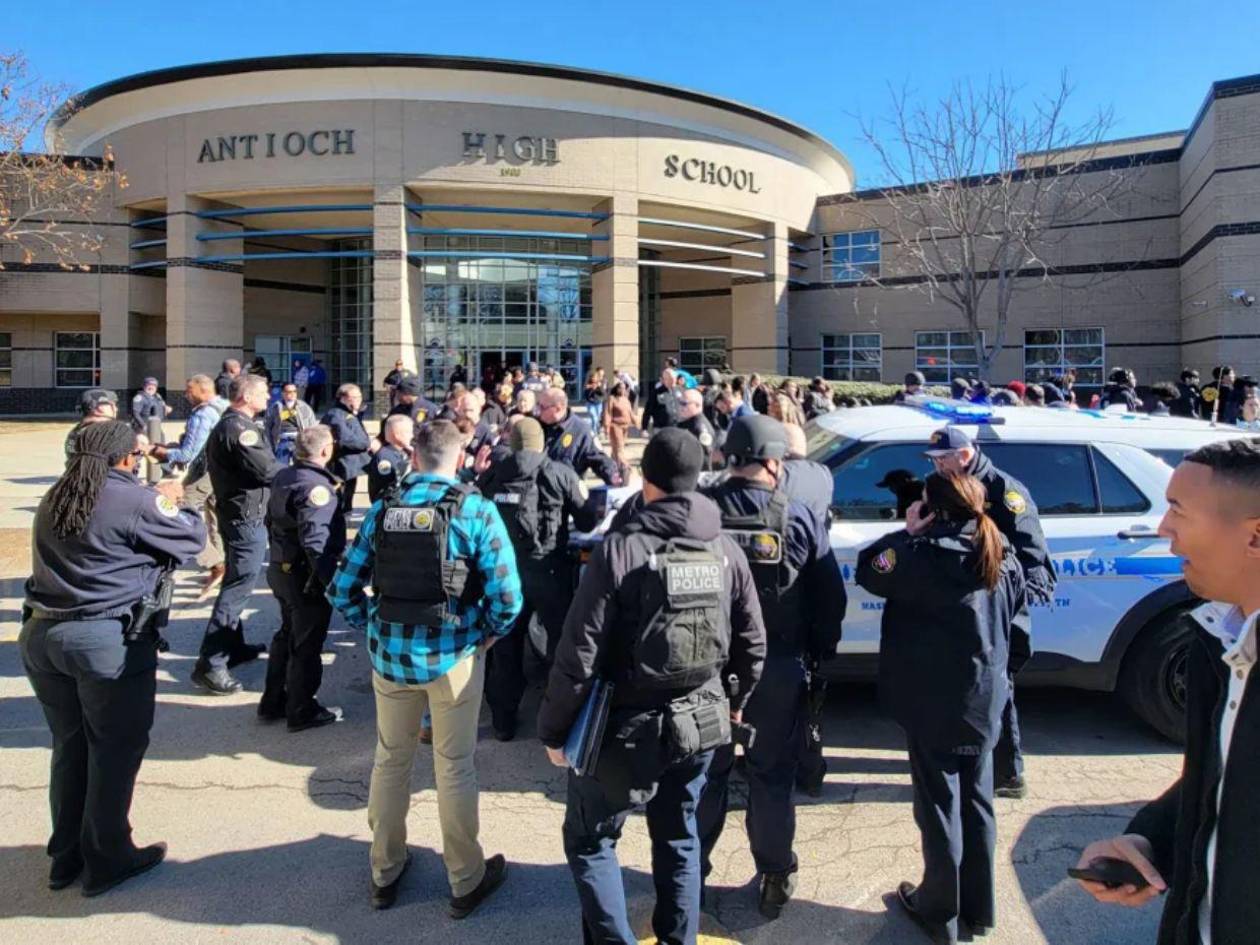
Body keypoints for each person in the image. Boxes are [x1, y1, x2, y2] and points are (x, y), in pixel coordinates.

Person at [537, 428, 767, 945]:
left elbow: (578, 654)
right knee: (679, 836)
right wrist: (735, 706)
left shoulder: (621, 550)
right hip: (702, 720)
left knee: (592, 840)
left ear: (646, 479)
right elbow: (753, 643)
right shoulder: (725, 547)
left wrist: (554, 733)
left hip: (625, 727)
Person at [327, 420, 522, 915]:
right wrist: (486, 635)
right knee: (454, 767)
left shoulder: (381, 511)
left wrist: (373, 627)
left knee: (391, 759)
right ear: (459, 458)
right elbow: (508, 597)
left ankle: (384, 870)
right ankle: (464, 878)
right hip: (453, 657)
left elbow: (342, 587)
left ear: (414, 455)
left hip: (390, 657)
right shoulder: (475, 510)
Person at [1074, 439, 1260, 945]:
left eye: (1178, 510)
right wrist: (1151, 839)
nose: (1163, 530)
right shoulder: (1215, 640)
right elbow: (1224, 778)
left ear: (1255, 537)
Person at [21, 420, 205, 896]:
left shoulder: (58, 495)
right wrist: (173, 496)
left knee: (71, 747)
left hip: (45, 635)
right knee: (114, 751)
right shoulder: (133, 498)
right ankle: (107, 858)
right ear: (127, 458)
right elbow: (191, 539)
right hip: (104, 640)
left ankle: (66, 857)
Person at [857, 471, 1025, 945]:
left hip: (931, 701)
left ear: (932, 509)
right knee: (978, 803)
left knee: (939, 807)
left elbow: (871, 571)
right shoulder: (1000, 552)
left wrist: (905, 531)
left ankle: (939, 909)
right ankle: (980, 909)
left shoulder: (918, 555)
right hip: (985, 695)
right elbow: (1014, 614)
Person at [697, 415, 846, 919]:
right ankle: (775, 876)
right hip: (776, 668)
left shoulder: (699, 513)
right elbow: (830, 598)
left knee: (705, 774)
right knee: (772, 775)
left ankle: (688, 873)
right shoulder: (798, 516)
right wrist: (821, 650)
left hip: (704, 669)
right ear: (774, 462)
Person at [925, 426, 1055, 799]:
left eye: (941, 459)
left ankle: (1008, 773)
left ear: (963, 456)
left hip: (996, 602)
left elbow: (1031, 552)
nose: (936, 468)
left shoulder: (1004, 491)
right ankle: (970, 754)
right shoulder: (948, 484)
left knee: (998, 686)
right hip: (964, 603)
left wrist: (1011, 605)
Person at [475, 417, 600, 739]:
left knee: (505, 648)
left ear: (513, 443)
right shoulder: (559, 472)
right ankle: (559, 721)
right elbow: (586, 522)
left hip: (504, 573)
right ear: (541, 442)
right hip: (550, 571)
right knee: (561, 646)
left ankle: (503, 722)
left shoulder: (494, 474)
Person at [192, 373, 284, 695]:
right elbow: (268, 470)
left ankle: (235, 645)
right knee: (238, 587)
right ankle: (211, 662)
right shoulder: (239, 429)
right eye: (264, 392)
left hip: (240, 515)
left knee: (237, 580)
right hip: (245, 519)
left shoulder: (236, 424)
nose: (268, 398)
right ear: (246, 396)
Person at [259, 425, 346, 732]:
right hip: (304, 575)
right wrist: (332, 583)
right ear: (326, 451)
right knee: (306, 644)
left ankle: (273, 700)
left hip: (281, 567)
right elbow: (315, 541)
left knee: (287, 635)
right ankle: (301, 708)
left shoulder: (285, 476)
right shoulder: (317, 488)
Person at [148, 374, 227, 597]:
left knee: (181, 514)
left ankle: (216, 565)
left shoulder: (203, 414)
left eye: (189, 391)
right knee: (214, 515)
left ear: (203, 391)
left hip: (203, 472)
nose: (186, 395)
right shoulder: (223, 406)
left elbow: (188, 453)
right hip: (219, 470)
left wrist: (160, 452)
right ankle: (220, 561)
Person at [537, 388, 622, 486]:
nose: (538, 410)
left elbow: (599, 459)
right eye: (538, 405)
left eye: (543, 407)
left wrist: (613, 476)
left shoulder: (581, 430)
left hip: (565, 494)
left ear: (558, 409)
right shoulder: (534, 424)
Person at [322, 383, 376, 516]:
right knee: (340, 497)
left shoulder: (349, 413)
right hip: (342, 464)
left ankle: (347, 510)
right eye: (354, 397)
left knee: (349, 494)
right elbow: (345, 439)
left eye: (359, 397)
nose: (358, 400)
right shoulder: (336, 415)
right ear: (343, 398)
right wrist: (366, 443)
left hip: (351, 466)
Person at [264, 381, 318, 465]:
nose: (292, 394)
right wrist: (269, 444)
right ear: (283, 393)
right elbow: (267, 426)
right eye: (289, 392)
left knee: (302, 465)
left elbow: (313, 425)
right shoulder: (276, 407)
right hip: (282, 439)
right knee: (281, 465)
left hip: (299, 439)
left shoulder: (304, 407)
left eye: (294, 391)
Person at [367, 414, 414, 503]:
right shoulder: (385, 458)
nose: (412, 436)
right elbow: (388, 488)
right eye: (408, 432)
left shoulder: (401, 453)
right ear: (397, 435)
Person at [65, 388, 119, 462]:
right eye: (112, 405)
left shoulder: (77, 431)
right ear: (100, 408)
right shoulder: (106, 432)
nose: (116, 409)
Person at [676, 387, 719, 471]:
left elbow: (706, 460)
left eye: (684, 403)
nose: (680, 406)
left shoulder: (699, 429)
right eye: (680, 402)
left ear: (697, 405)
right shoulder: (689, 423)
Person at [602, 381, 634, 476]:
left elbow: (630, 413)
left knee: (616, 449)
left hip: (625, 427)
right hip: (615, 426)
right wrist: (606, 427)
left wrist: (639, 424)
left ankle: (613, 468)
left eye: (624, 388)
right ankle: (626, 466)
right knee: (619, 448)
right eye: (620, 388)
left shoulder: (626, 399)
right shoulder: (612, 399)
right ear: (616, 389)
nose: (622, 390)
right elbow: (607, 413)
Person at [642, 368, 680, 433]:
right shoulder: (656, 392)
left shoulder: (680, 391)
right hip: (660, 428)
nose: (673, 381)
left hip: (677, 427)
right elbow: (648, 410)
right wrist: (644, 428)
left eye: (674, 379)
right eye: (670, 379)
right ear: (664, 380)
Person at [584, 367, 607, 433]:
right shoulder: (588, 384)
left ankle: (597, 428)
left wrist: (599, 387)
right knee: (594, 417)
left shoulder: (600, 384)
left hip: (598, 403)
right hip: (590, 403)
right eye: (592, 377)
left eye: (595, 377)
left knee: (597, 418)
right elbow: (586, 394)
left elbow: (603, 393)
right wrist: (591, 388)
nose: (593, 379)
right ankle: (594, 432)